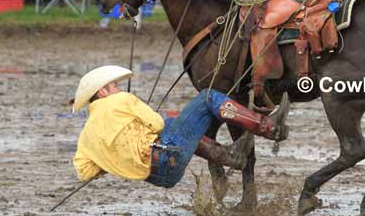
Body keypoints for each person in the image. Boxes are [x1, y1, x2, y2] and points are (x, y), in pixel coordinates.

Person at [72, 66, 289, 188]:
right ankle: (267, 127)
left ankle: (229, 156)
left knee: (174, 126)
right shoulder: (121, 100)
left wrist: (111, 157)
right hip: (168, 154)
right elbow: (155, 123)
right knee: (207, 98)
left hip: (161, 178)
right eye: (115, 85)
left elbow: (86, 173)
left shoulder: (86, 138)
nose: (119, 88)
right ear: (102, 92)